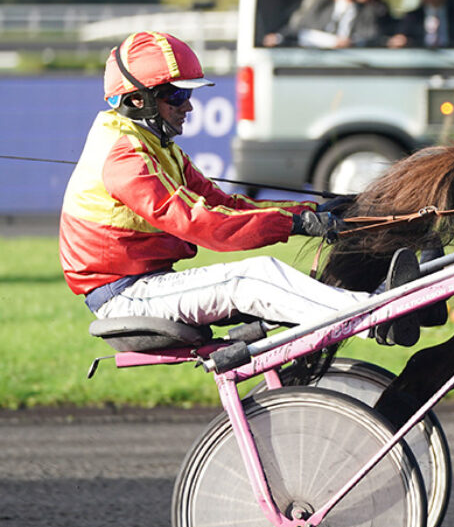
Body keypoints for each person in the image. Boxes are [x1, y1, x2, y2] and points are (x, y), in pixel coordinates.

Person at [60, 31, 420, 345]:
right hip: (126, 295)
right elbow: (202, 224)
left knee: (261, 277)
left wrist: (309, 212)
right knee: (252, 277)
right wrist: (293, 225)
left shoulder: (154, 144)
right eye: (176, 97)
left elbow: (223, 203)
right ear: (138, 100)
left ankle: (368, 306)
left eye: (189, 96)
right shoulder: (125, 156)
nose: (188, 107)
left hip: (147, 283)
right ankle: (376, 317)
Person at [262, 0, 387, 49]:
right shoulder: (320, 6)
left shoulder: (368, 12)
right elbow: (298, 31)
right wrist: (278, 38)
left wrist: (351, 42)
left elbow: (372, 37)